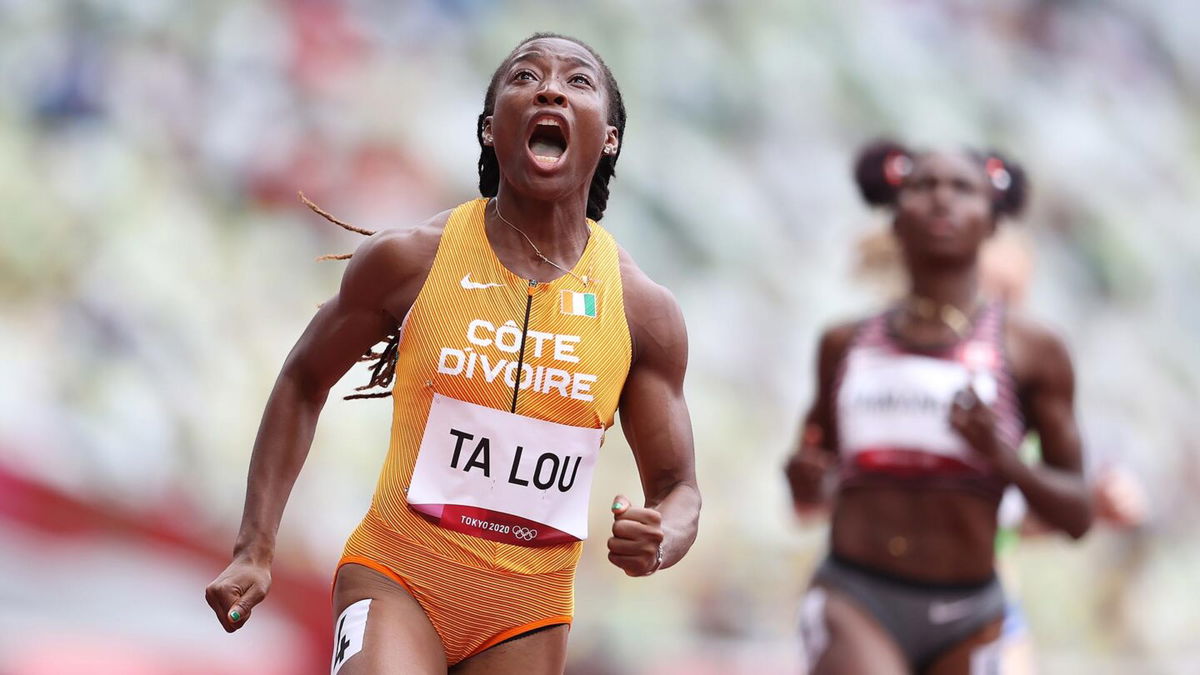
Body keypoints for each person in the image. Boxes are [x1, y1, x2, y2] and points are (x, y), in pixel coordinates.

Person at [205, 33, 700, 674]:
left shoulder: (642, 311)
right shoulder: (410, 259)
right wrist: (254, 547)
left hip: (530, 616)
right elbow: (303, 380)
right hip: (397, 577)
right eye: (525, 77)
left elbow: (679, 487)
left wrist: (660, 539)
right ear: (492, 130)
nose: (549, 87)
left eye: (578, 82)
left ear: (609, 138)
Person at [785, 140, 1093, 674]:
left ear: (992, 222)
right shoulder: (845, 344)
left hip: (973, 612)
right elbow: (814, 492)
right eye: (923, 186)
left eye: (963, 188)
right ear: (895, 219)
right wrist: (805, 481)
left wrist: (1000, 454)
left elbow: (1077, 513)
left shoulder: (1033, 350)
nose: (942, 200)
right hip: (858, 597)